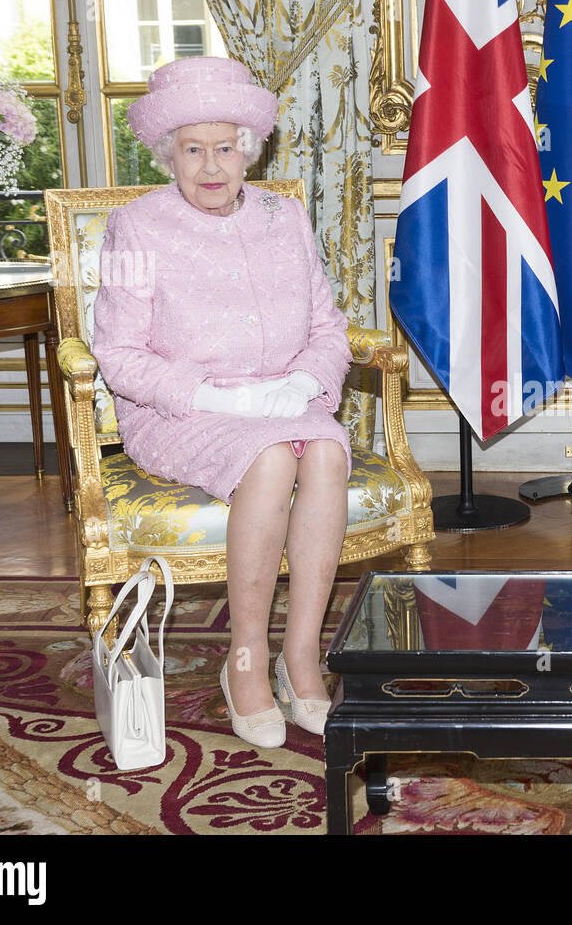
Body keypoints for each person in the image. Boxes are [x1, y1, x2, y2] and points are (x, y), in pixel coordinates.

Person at [92, 57, 352, 749]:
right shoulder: (135, 227)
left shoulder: (284, 215)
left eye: (227, 146)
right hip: (183, 410)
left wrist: (301, 385)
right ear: (166, 153)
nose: (212, 165)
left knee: (325, 447)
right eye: (193, 148)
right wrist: (210, 393)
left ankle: (301, 658)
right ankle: (244, 659)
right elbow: (119, 356)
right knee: (269, 459)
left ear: (250, 149)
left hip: (282, 398)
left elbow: (328, 328)